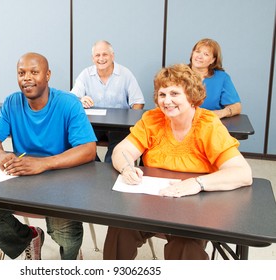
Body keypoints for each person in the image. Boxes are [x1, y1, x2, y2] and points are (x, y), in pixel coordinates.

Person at [103, 64, 252, 260]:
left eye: (174, 93)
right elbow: (122, 150)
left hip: (195, 207)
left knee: (185, 245)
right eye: (162, 94)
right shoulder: (153, 119)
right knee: (119, 229)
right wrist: (127, 167)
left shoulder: (208, 125)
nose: (167, 101)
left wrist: (197, 183)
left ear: (191, 96)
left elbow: (242, 173)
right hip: (152, 203)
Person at [0, 52, 97, 260]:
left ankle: (71, 259)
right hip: (22, 178)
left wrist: (44, 164)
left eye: (34, 72)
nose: (26, 78)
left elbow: (88, 149)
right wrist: (1, 155)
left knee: (67, 236)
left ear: (47, 75)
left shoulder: (68, 103)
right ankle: (29, 237)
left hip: (62, 178)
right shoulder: (13, 102)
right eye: (21, 73)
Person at [71, 40, 145, 163]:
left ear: (112, 56)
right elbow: (71, 99)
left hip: (119, 126)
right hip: (93, 125)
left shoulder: (125, 74)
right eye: (97, 55)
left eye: (105, 54)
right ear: (92, 58)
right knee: (80, 146)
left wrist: (131, 123)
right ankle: (97, 170)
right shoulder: (85, 74)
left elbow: (138, 102)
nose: (101, 58)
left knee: (115, 154)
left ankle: (109, 176)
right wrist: (80, 100)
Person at [189, 38, 241, 119]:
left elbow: (236, 107)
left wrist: (221, 113)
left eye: (206, 54)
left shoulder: (222, 78)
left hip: (210, 124)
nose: (199, 56)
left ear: (213, 60)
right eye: (197, 51)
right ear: (192, 53)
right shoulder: (177, 74)